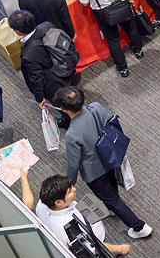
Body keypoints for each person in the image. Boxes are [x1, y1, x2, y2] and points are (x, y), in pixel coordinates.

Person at [52, 87, 152, 235]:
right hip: (110, 156)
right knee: (112, 185)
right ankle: (112, 207)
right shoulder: (96, 107)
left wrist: (69, 184)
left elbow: (73, 163)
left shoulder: (72, 134)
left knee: (112, 199)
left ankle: (139, 227)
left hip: (94, 171)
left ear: (64, 109)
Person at [19, 172, 137, 258]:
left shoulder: (42, 204)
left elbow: (28, 204)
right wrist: (121, 249)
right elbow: (94, 249)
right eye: (70, 192)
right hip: (96, 241)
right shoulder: (71, 228)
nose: (75, 189)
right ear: (58, 202)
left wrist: (24, 179)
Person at [10, 10, 77, 120]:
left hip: (53, 83)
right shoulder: (47, 25)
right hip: (65, 66)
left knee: (63, 105)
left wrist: (39, 98)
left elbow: (36, 78)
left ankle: (68, 120)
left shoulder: (29, 54)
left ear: (17, 31)